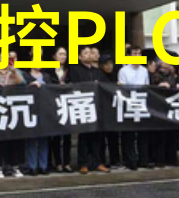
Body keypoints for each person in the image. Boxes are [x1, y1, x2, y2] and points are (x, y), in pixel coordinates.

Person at [0, 50, 27, 178]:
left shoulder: (16, 71)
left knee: (14, 140)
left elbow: (22, 83)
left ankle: (15, 167)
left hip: (13, 110)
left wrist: (13, 71)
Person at [68, 46, 108, 174]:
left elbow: (105, 86)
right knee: (84, 136)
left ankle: (97, 162)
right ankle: (83, 163)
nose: (89, 55)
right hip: (83, 105)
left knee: (97, 136)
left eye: (90, 52)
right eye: (85, 53)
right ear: (79, 57)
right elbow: (74, 86)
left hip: (96, 106)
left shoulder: (98, 72)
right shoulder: (75, 70)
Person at [117, 46, 147, 170]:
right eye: (134, 53)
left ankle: (143, 159)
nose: (137, 56)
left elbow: (147, 87)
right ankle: (130, 160)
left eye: (139, 54)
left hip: (141, 104)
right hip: (129, 104)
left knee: (142, 135)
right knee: (129, 135)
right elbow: (123, 88)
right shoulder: (123, 71)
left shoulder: (144, 70)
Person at [43, 47, 72, 173]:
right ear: (54, 56)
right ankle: (58, 162)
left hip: (67, 105)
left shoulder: (69, 71)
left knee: (67, 137)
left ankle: (67, 162)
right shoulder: (48, 71)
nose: (63, 56)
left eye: (65, 54)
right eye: (60, 54)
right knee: (55, 137)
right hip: (53, 106)